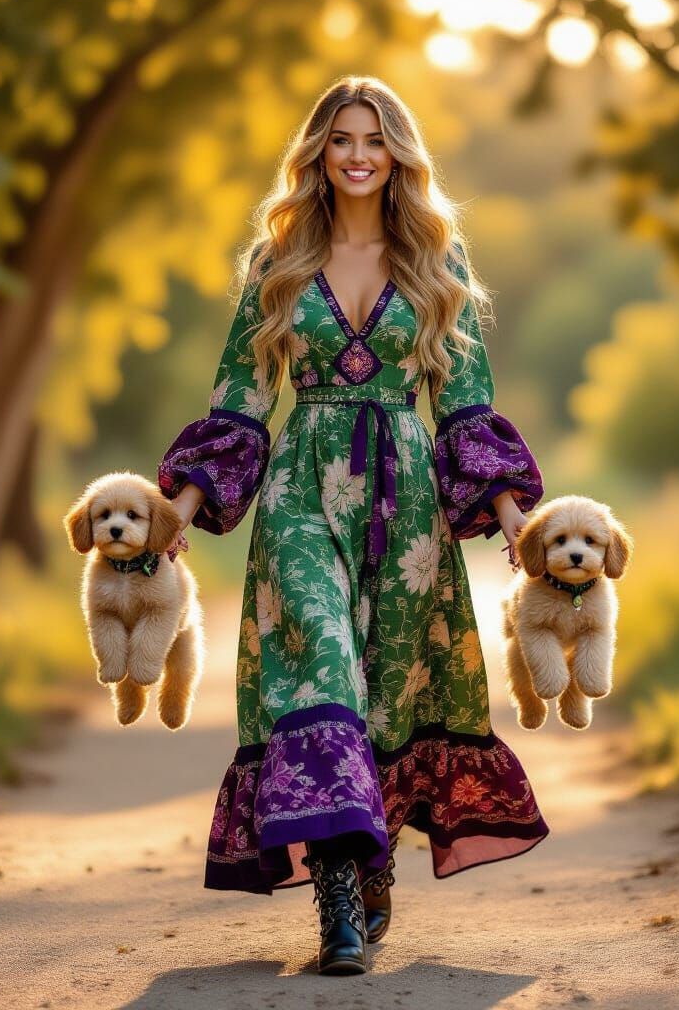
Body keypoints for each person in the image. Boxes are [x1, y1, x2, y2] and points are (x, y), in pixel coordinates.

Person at [156, 75, 550, 976]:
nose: (359, 153)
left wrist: (516, 522)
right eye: (341, 139)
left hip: (407, 503)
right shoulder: (279, 266)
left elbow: (466, 409)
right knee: (320, 667)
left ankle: (369, 868)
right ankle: (336, 901)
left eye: (375, 138)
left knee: (381, 698)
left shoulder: (436, 269)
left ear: (399, 154)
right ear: (319, 156)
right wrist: (174, 514)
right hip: (301, 488)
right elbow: (241, 403)